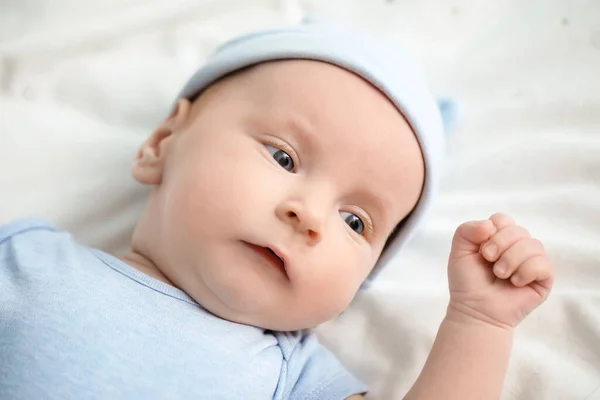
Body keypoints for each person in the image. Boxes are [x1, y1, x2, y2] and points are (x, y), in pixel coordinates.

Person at [0, 17, 554, 399]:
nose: (309, 215)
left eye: (355, 221)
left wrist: (479, 323)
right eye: (284, 158)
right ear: (162, 141)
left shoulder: (292, 377)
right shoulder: (28, 259)